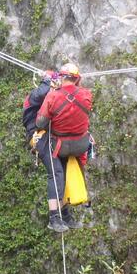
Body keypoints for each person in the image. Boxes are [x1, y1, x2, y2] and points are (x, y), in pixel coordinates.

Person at [33, 62, 92, 233]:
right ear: (76, 78)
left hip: (60, 146)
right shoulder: (87, 95)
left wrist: (53, 93)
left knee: (55, 175)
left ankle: (54, 217)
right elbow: (78, 99)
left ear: (61, 77)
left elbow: (40, 122)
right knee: (64, 174)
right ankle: (66, 215)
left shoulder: (53, 96)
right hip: (80, 146)